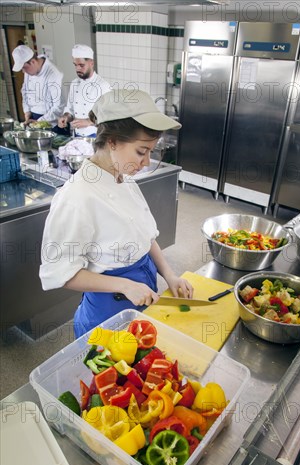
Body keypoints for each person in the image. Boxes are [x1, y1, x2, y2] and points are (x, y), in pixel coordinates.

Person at [40, 89, 194, 338]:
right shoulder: (77, 197)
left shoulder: (125, 179)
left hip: (143, 296)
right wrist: (124, 285)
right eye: (141, 152)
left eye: (151, 152)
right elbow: (61, 274)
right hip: (107, 314)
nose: (146, 163)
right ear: (112, 141)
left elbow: (146, 237)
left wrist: (170, 275)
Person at [58, 44, 111, 137]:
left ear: (91, 63)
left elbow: (109, 115)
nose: (77, 69)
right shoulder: (74, 83)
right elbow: (70, 109)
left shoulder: (103, 86)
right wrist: (66, 117)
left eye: (81, 65)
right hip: (77, 135)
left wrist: (88, 121)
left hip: (96, 137)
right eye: (75, 65)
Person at [12, 44, 65, 127]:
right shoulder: (29, 70)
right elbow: (25, 91)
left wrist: (39, 122)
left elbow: (59, 107)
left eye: (24, 68)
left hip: (51, 121)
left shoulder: (54, 74)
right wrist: (27, 111)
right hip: (33, 117)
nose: (23, 72)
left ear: (33, 62)